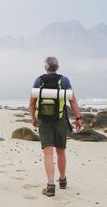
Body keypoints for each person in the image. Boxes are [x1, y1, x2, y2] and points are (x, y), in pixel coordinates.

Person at [29, 57, 82, 197]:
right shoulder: (64, 81)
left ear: (46, 67)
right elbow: (73, 100)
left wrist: (34, 118)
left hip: (44, 121)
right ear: (57, 67)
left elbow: (32, 103)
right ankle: (63, 180)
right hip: (60, 120)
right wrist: (78, 118)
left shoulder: (38, 80)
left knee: (48, 153)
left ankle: (50, 185)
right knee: (61, 151)